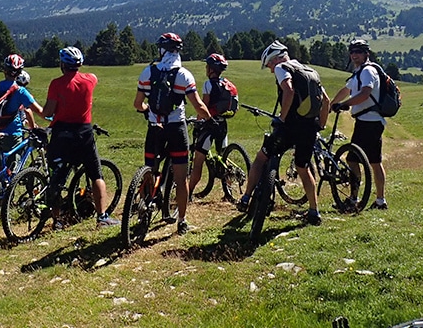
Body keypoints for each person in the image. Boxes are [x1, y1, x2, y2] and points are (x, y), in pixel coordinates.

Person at [237, 40, 330, 226]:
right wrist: (321, 124)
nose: (271, 70)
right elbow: (326, 100)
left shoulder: (282, 68)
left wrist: (282, 117)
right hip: (309, 127)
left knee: (261, 158)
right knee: (303, 167)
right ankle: (314, 211)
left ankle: (246, 197)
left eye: (269, 64)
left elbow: (288, 91)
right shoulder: (309, 70)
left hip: (290, 127)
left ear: (275, 59)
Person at [133, 32, 212, 235]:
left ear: (161, 50)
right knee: (180, 177)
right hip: (176, 128)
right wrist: (210, 121)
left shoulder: (148, 72)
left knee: (149, 170)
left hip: (154, 128)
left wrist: (147, 110)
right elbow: (199, 105)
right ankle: (182, 221)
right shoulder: (184, 75)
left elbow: (137, 104)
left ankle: (144, 209)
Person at [41, 46, 119, 229]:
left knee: (57, 178)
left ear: (62, 64)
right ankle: (102, 217)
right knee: (96, 174)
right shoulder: (90, 80)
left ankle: (57, 220)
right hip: (84, 132)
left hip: (61, 133)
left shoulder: (56, 84)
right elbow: (94, 78)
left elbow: (47, 112)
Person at [330, 39, 388, 210]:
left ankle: (379, 200)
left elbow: (365, 93)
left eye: (359, 52)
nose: (355, 55)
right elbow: (346, 89)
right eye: (353, 52)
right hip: (363, 122)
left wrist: (345, 104)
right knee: (353, 159)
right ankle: (355, 198)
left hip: (371, 122)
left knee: (374, 162)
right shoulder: (358, 73)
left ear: (366, 54)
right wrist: (332, 103)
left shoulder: (368, 71)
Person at [0, 54, 44, 170]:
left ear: (4, 70)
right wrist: (35, 126)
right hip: (13, 135)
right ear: (19, 72)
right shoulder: (21, 91)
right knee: (12, 171)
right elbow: (37, 111)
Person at [188, 53, 238, 200]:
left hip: (210, 125)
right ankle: (228, 192)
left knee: (198, 161)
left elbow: (204, 106)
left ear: (210, 69)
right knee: (223, 157)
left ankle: (189, 193)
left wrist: (198, 121)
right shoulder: (226, 84)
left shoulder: (208, 84)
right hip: (223, 124)